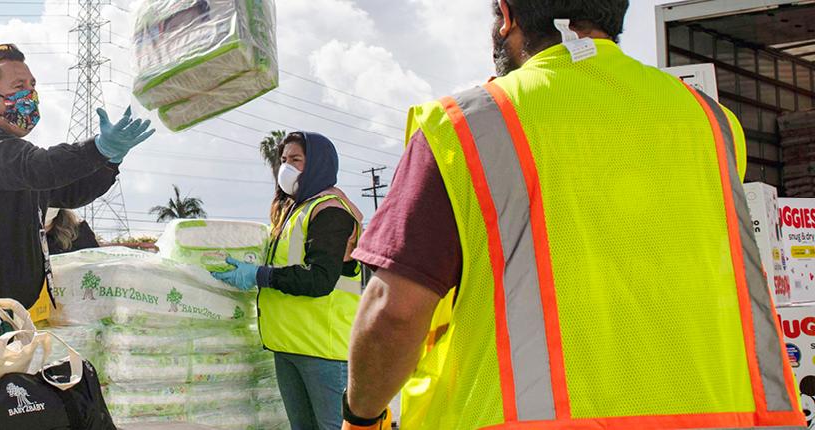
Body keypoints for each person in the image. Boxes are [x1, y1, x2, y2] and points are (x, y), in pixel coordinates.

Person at [339, 1, 802, 428]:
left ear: (506, 14)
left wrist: (360, 418)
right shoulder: (710, 121)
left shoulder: (465, 127)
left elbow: (394, 312)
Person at [0, 44, 156, 336]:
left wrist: (109, 161)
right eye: (19, 86)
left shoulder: (9, 156)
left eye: (32, 86)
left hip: (4, 310)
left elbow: (69, 192)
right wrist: (96, 148)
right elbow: (40, 167)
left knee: (8, 384)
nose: (30, 95)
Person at [211, 132, 363, 430]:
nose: (286, 168)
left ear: (318, 164)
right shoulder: (296, 211)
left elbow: (320, 280)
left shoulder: (330, 211)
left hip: (323, 350)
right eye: (283, 160)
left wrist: (259, 276)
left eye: (296, 160)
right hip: (290, 346)